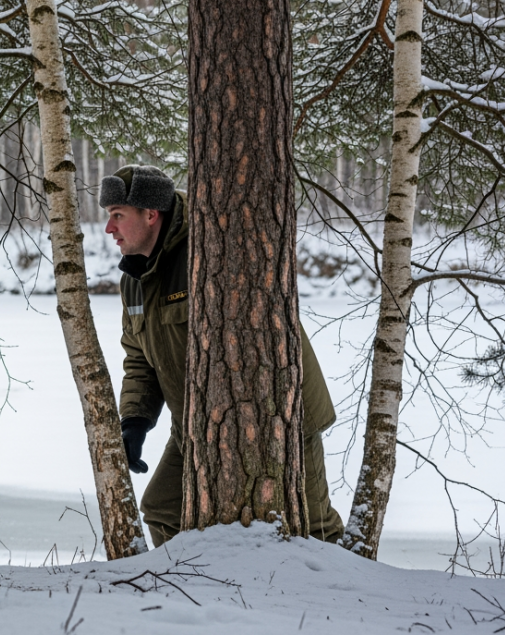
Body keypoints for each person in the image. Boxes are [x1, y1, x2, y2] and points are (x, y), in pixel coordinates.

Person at [100, 164, 344, 546]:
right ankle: (192, 592)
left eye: (118, 216)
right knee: (163, 508)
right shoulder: (133, 282)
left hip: (283, 413)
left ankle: (354, 597)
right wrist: (135, 420)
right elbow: (140, 361)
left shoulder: (206, 253)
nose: (109, 228)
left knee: (314, 527)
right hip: (196, 426)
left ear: (151, 214)